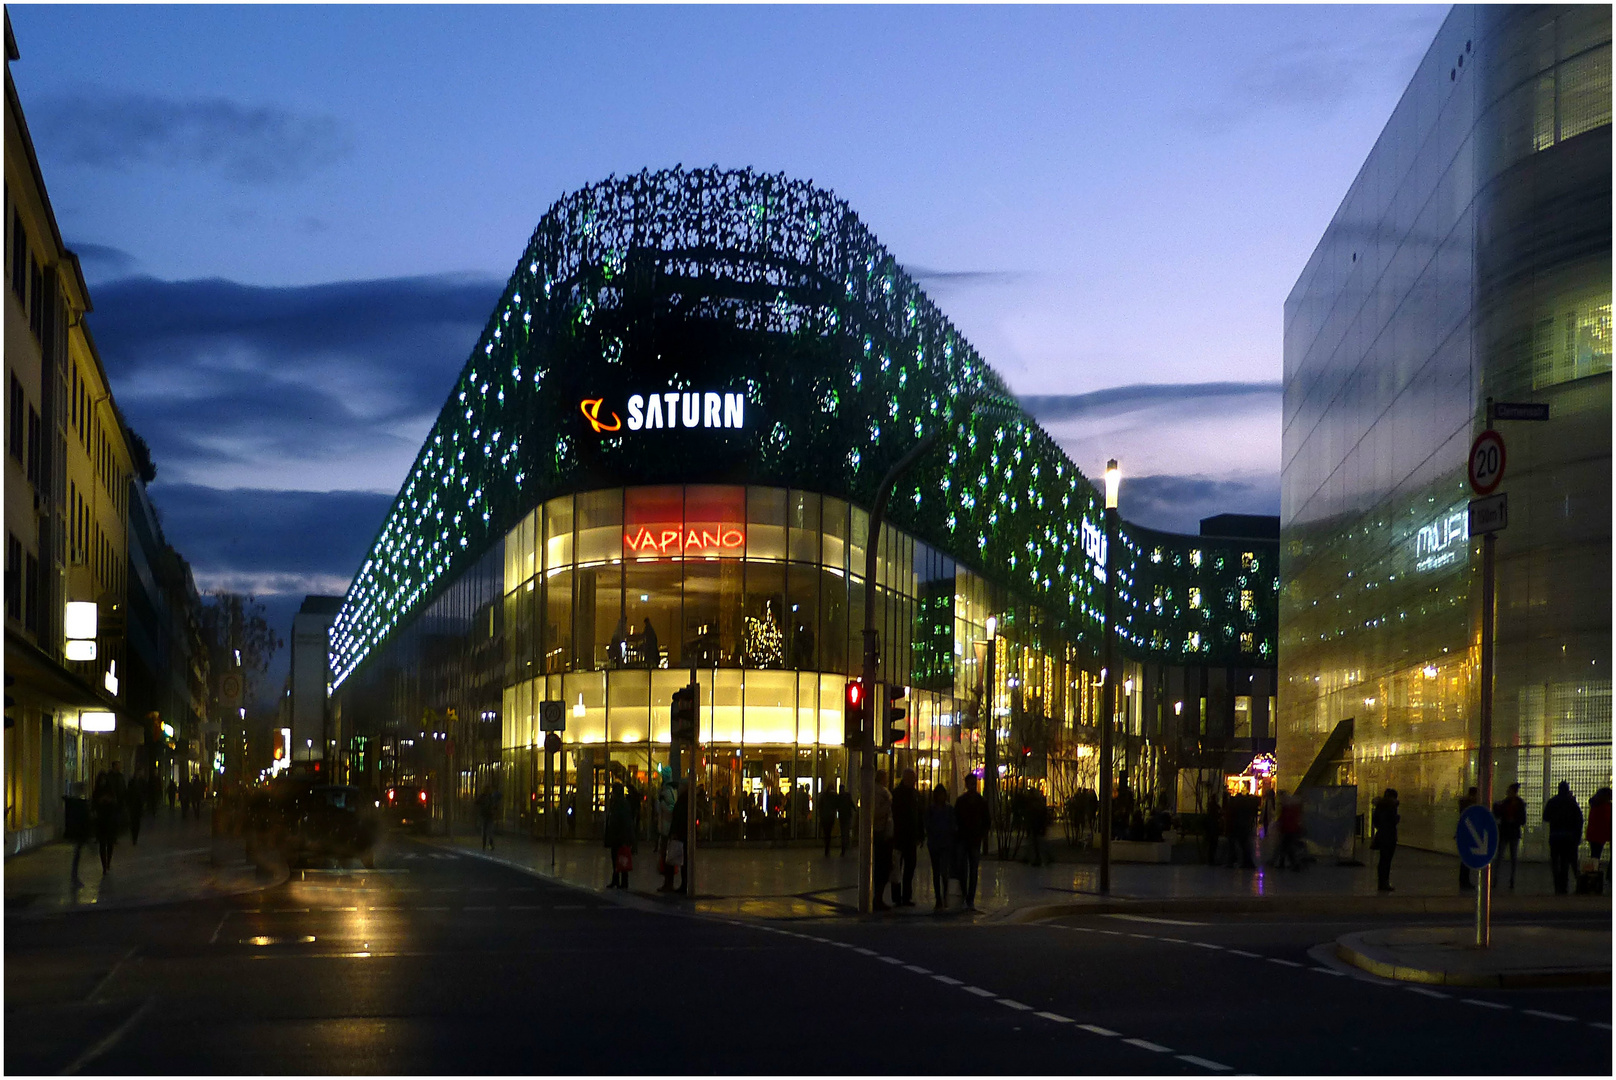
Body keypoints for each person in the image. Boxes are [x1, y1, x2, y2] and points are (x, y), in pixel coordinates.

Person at [954, 774, 991, 911]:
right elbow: (956, 819)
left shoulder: (981, 802)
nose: (972, 786)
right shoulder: (962, 801)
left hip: (974, 839)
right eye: (970, 784)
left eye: (974, 784)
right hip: (964, 838)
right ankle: (965, 894)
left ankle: (970, 897)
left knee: (973, 869)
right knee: (963, 868)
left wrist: (981, 834)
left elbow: (987, 820)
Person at [891, 768, 924, 906]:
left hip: (910, 838)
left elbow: (919, 815)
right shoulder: (897, 794)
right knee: (897, 869)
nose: (914, 781)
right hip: (899, 837)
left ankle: (906, 896)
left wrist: (920, 834)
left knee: (909, 868)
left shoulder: (915, 795)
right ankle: (897, 896)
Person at [1543, 781, 1583, 895]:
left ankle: (1557, 886)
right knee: (1565, 862)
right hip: (1568, 838)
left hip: (1555, 836)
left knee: (1555, 862)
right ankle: (1564, 886)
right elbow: (1579, 820)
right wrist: (1577, 835)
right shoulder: (1572, 803)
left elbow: (1546, 817)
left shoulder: (1552, 802)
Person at [925, 784, 956, 911]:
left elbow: (952, 824)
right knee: (937, 872)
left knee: (943, 872)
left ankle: (944, 896)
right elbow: (928, 825)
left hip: (944, 843)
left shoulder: (948, 809)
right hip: (936, 844)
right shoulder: (932, 810)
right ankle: (939, 898)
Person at [1493, 782, 1527, 889]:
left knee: (1505, 856)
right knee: (1508, 856)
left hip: (1508, 831)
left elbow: (1522, 819)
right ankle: (1504, 879)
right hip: (1511, 832)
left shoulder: (1508, 803)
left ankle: (1501, 879)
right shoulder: (1516, 803)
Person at [91, 769, 124, 874]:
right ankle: (104, 866)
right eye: (101, 780)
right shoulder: (97, 791)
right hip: (101, 820)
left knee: (109, 844)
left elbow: (115, 803)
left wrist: (109, 801)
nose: (102, 781)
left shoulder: (110, 791)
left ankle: (108, 862)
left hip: (110, 820)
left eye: (104, 779)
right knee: (102, 844)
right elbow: (94, 804)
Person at [603, 781, 635, 889]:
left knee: (618, 858)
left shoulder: (620, 804)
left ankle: (620, 881)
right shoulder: (620, 803)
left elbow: (623, 822)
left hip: (619, 836)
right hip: (619, 836)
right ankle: (618, 880)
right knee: (619, 858)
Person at [870, 770, 894, 911]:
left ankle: (878, 897)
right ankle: (877, 898)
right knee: (883, 866)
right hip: (881, 832)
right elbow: (876, 812)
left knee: (885, 867)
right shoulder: (879, 793)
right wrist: (887, 805)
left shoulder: (882, 792)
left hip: (885, 831)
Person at [63, 781, 92, 888]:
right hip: (79, 832)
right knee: (76, 855)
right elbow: (84, 819)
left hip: (77, 832)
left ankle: (74, 877)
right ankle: (74, 877)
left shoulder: (75, 802)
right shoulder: (80, 803)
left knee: (77, 854)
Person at [1371, 788, 1399, 892]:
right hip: (1390, 836)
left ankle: (1381, 883)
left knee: (1383, 860)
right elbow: (1393, 820)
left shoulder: (1379, 807)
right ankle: (1385, 883)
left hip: (1382, 835)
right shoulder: (1392, 807)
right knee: (1387, 861)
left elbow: (1376, 821)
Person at [1271, 792, 1304, 870]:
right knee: (1286, 847)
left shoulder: (1287, 809)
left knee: (1286, 847)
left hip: (1288, 830)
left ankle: (1292, 864)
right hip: (1291, 829)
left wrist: (1279, 825)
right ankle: (1287, 863)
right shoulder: (1293, 808)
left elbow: (1284, 819)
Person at [668, 782, 690, 894]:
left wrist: (675, 831)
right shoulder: (685, 800)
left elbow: (679, 818)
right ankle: (684, 883)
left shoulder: (683, 801)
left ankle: (684, 884)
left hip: (681, 834)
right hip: (683, 833)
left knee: (683, 859)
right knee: (683, 859)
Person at [1457, 786, 1479, 889]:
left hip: (1465, 832)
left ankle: (1463, 880)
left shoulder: (1464, 804)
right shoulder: (1470, 805)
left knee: (1464, 858)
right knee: (1466, 859)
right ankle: (1465, 881)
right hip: (1469, 833)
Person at [1587, 787, 1611, 869]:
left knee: (1594, 855)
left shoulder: (1595, 805)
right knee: (1596, 855)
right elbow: (1607, 821)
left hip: (1592, 834)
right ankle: (1594, 872)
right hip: (1600, 835)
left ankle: (1593, 872)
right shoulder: (1606, 807)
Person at [1025, 789, 1049, 867]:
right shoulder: (1038, 804)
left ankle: (1037, 858)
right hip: (1037, 825)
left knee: (1036, 843)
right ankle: (1037, 858)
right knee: (1037, 843)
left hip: (1036, 825)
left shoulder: (1033, 805)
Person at [125, 770, 148, 847]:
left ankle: (135, 836)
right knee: (134, 821)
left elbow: (145, 792)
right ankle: (134, 836)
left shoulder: (142, 782)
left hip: (138, 804)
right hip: (133, 804)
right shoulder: (132, 782)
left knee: (136, 821)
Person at [1204, 791, 1223, 866]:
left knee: (1211, 845)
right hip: (1214, 828)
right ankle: (1211, 860)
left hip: (1211, 828)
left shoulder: (1210, 807)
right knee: (1213, 845)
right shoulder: (1215, 807)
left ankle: (1210, 860)